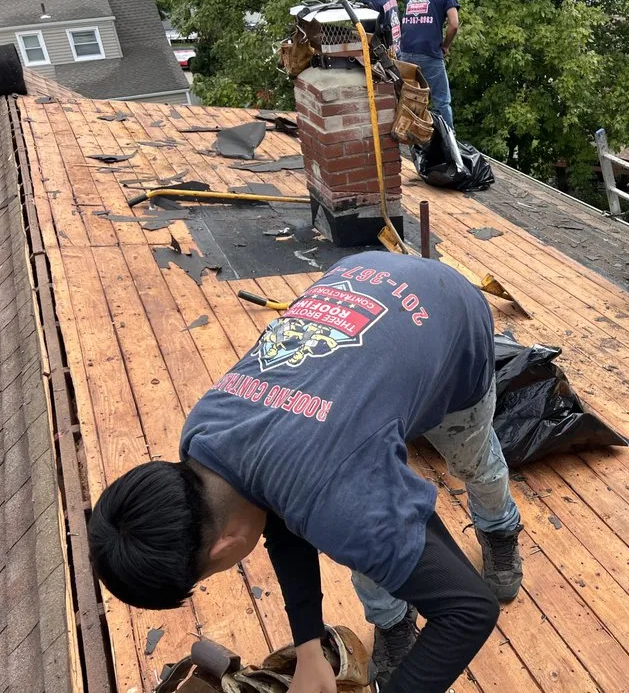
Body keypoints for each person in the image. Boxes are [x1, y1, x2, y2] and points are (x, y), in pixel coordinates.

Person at [87, 252, 524, 693]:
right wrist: (309, 648)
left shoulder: (341, 498)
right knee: (361, 536)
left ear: (224, 549)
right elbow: (275, 514)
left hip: (450, 317)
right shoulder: (203, 432)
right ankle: (394, 621)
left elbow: (470, 611)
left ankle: (500, 527)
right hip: (365, 276)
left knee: (471, 460)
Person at [400, 0, 460, 130]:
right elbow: (454, 24)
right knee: (442, 101)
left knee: (411, 99)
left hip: (404, 52)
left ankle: (410, 135)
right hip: (428, 52)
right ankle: (449, 144)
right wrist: (445, 46)